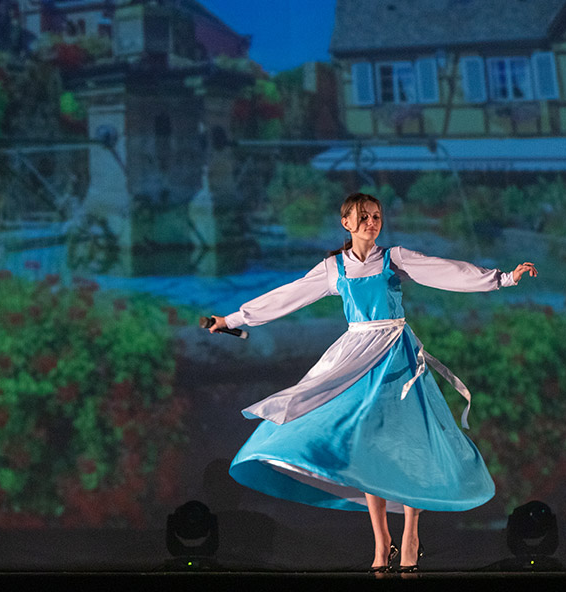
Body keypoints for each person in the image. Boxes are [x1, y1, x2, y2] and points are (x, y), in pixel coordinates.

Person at [208, 192, 537, 572]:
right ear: (346, 223)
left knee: (411, 440)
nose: (371, 222)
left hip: (397, 354)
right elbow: (289, 296)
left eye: (376, 216)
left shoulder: (394, 258)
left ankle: (410, 533)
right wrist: (231, 320)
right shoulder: (334, 268)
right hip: (356, 357)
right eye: (363, 216)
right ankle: (382, 541)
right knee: (366, 445)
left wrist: (503, 278)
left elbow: (445, 271)